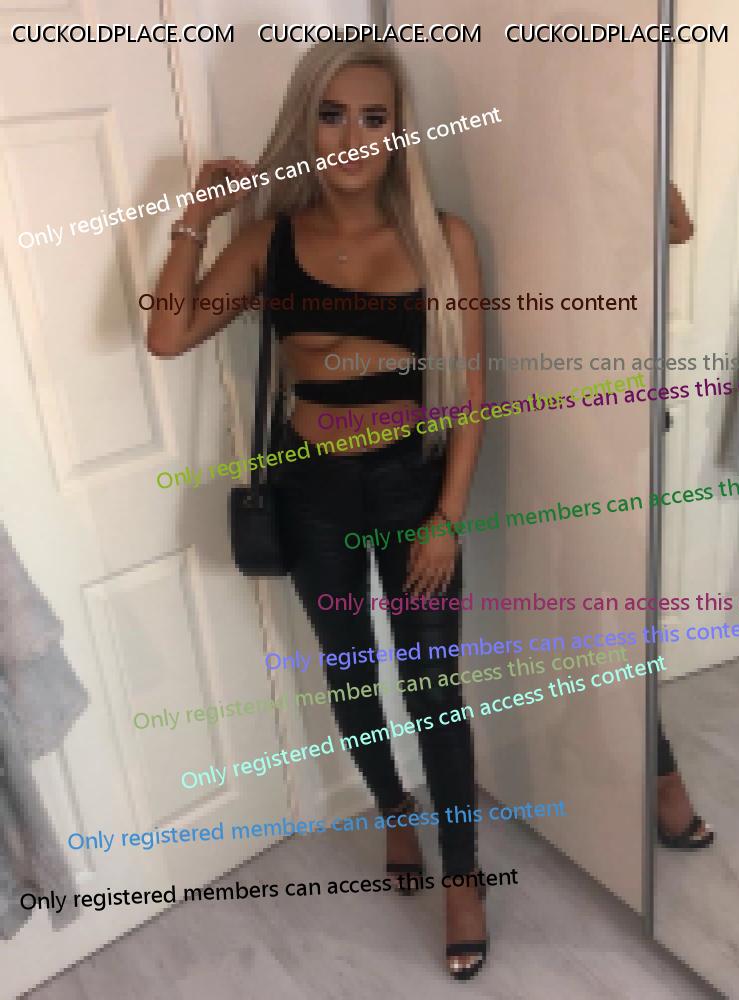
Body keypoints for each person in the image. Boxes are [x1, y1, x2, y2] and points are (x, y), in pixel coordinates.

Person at [146, 41, 488, 980]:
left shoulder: (441, 237)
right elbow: (169, 335)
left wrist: (446, 517)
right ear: (305, 125)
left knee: (433, 686)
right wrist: (196, 221)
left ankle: (464, 875)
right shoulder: (268, 241)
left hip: (412, 488)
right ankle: (392, 811)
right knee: (349, 672)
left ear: (399, 131)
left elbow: (469, 395)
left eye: (374, 118)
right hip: (311, 490)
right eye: (331, 116)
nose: (352, 138)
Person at [656, 183, 714, 850]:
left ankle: (661, 779)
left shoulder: (622, 177)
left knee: (620, 620)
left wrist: (647, 157)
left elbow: (679, 226)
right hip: (548, 419)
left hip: (625, 415)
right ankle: (659, 780)